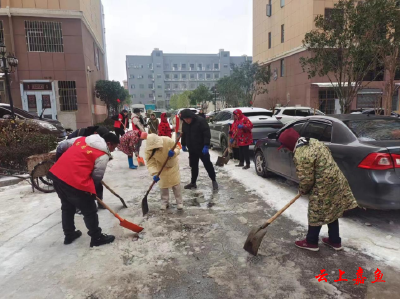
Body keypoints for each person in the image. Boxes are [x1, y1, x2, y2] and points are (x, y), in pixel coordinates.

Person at [277, 128, 358, 251]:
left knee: (315, 212)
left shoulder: (301, 155)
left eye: (285, 146)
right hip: (337, 180)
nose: (285, 149)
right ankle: (335, 241)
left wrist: (303, 190)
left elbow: (307, 179)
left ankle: (311, 242)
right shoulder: (313, 141)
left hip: (323, 184)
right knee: (332, 209)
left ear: (289, 144)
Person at [47, 133, 120, 247]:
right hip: (75, 182)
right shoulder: (102, 155)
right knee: (89, 210)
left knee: (67, 207)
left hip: (57, 176)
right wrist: (89, 192)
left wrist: (61, 162)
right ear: (109, 143)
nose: (113, 150)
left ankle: (69, 234)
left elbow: (62, 146)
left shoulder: (83, 140)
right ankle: (97, 238)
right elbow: (97, 177)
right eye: (114, 147)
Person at [143, 132, 183, 210]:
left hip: (172, 165)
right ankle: (165, 202)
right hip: (161, 166)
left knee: (176, 185)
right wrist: (154, 173)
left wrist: (174, 152)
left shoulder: (167, 140)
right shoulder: (148, 150)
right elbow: (150, 163)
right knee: (163, 185)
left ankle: (179, 202)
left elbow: (177, 148)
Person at [180, 109, 218, 191]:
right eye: (184, 119)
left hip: (201, 148)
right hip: (192, 148)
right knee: (193, 166)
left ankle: (214, 180)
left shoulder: (201, 121)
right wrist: (183, 144)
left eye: (187, 119)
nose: (186, 121)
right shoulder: (185, 123)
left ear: (191, 117)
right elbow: (184, 134)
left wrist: (206, 145)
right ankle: (193, 183)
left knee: (207, 164)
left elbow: (207, 133)